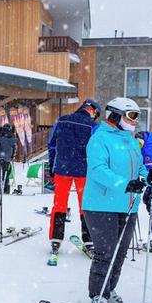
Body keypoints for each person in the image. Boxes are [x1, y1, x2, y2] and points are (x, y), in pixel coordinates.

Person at [82, 98, 149, 303]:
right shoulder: (99, 139)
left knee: (120, 253)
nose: (134, 121)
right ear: (116, 115)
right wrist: (124, 184)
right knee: (105, 252)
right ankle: (98, 293)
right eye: (131, 116)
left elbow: (140, 168)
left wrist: (148, 176)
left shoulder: (131, 141)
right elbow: (97, 169)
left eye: (137, 116)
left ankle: (109, 289)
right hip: (101, 205)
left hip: (128, 205)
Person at [46, 99, 101, 256]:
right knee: (86, 205)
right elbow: (96, 151)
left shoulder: (61, 120)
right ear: (93, 111)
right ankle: (89, 240)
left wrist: (52, 165)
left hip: (62, 168)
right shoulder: (93, 127)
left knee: (59, 204)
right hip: (84, 172)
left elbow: (52, 145)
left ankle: (56, 239)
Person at [0, 124, 17, 194]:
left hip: (0, 157)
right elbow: (14, 148)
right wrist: (12, 157)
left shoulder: (0, 138)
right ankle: (6, 189)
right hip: (7, 159)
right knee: (6, 174)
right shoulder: (12, 138)